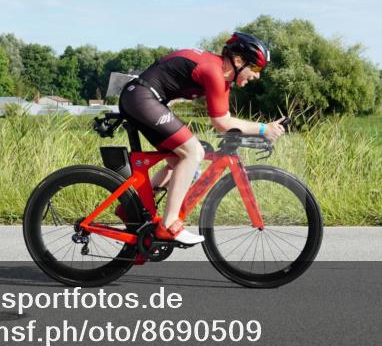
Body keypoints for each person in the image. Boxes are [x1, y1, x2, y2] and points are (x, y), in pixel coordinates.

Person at [118, 32, 286, 245]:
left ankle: (130, 208)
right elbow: (222, 123)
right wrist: (264, 129)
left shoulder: (223, 78)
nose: (257, 75)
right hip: (142, 98)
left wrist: (262, 130)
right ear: (238, 61)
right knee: (193, 152)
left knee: (183, 162)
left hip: (143, 98)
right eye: (255, 68)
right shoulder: (213, 71)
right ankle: (169, 225)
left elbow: (225, 122)